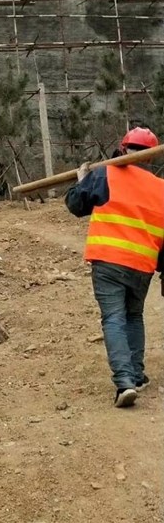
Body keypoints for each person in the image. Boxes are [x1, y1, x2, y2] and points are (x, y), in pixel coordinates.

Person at [65, 127, 164, 408]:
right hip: (142, 265)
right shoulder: (162, 188)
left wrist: (82, 180)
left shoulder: (105, 174)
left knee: (113, 318)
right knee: (134, 317)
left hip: (108, 261)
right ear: (151, 157)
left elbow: (76, 204)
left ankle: (124, 382)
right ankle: (137, 375)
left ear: (122, 148)